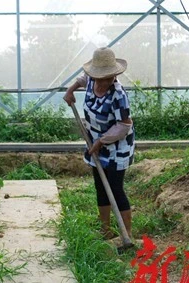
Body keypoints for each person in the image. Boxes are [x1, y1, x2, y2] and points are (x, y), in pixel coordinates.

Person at [63, 47, 135, 239]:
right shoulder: (90, 81)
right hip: (95, 141)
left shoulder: (118, 95)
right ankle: (105, 230)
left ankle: (126, 234)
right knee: (100, 186)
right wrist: (70, 91)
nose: (104, 81)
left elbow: (124, 125)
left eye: (108, 77)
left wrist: (101, 142)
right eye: (100, 77)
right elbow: (81, 80)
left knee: (115, 188)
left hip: (116, 145)